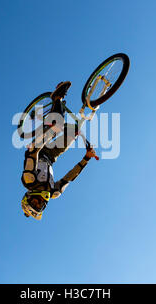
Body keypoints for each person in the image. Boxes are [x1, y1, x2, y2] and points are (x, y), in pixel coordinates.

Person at [21, 81, 97, 220]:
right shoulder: (53, 192)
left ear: (28, 198)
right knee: (74, 131)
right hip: (51, 156)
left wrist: (50, 134)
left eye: (34, 203)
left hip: (38, 148)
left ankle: (57, 97)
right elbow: (70, 177)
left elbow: (32, 153)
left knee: (58, 123)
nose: (40, 201)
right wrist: (86, 158)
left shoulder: (29, 181)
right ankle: (66, 113)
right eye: (40, 205)